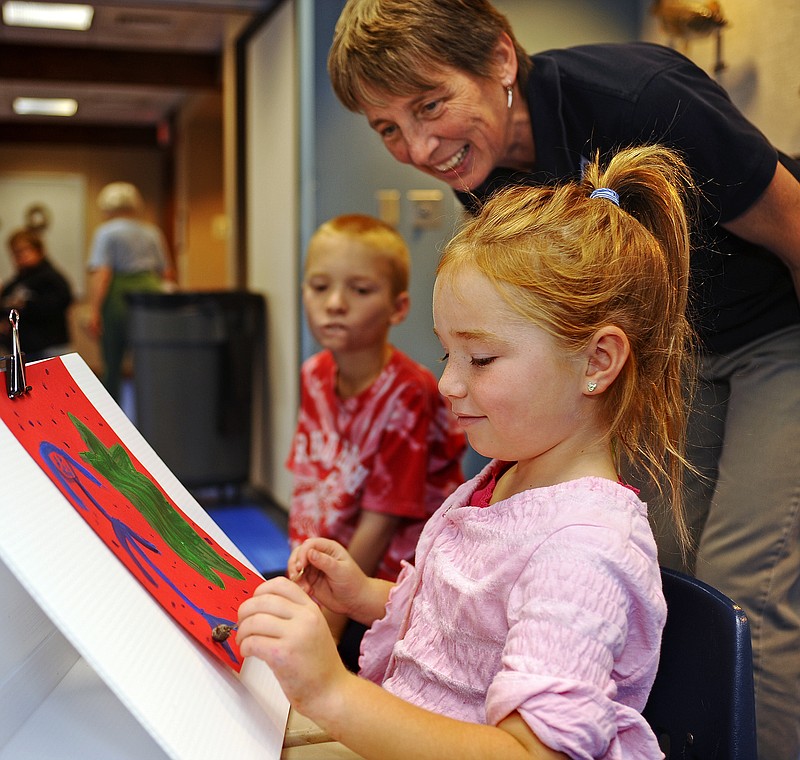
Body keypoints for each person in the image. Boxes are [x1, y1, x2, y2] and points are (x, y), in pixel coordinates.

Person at [326, 4, 800, 756]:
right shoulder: (479, 169)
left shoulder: (638, 98)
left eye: (430, 105)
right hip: (666, 351)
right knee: (667, 560)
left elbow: (792, 225)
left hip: (779, 325)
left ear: (502, 60)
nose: (418, 146)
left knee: (748, 583)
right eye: (388, 128)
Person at [238, 146, 694, 758]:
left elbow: (533, 753)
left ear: (597, 361)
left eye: (480, 359)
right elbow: (463, 627)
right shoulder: (505, 478)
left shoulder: (585, 550)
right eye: (447, 354)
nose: (449, 383)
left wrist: (331, 692)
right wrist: (364, 595)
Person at [287, 213, 465, 670]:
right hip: (328, 568)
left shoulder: (408, 392)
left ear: (398, 307)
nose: (335, 304)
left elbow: (380, 524)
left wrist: (324, 629)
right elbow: (313, 485)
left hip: (390, 587)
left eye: (360, 290)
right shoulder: (313, 376)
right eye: (319, 286)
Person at [86, 182, 172, 401]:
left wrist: (94, 311)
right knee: (151, 359)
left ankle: (111, 414)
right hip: (152, 295)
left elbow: (102, 274)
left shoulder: (106, 233)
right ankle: (154, 409)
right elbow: (167, 273)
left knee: (112, 362)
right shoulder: (152, 231)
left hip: (119, 296)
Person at [1, 228, 73, 360]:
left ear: (38, 250)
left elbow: (61, 302)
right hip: (24, 350)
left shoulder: (51, 277)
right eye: (15, 252)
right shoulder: (16, 281)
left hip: (49, 348)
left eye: (24, 250)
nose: (20, 255)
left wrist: (26, 305)